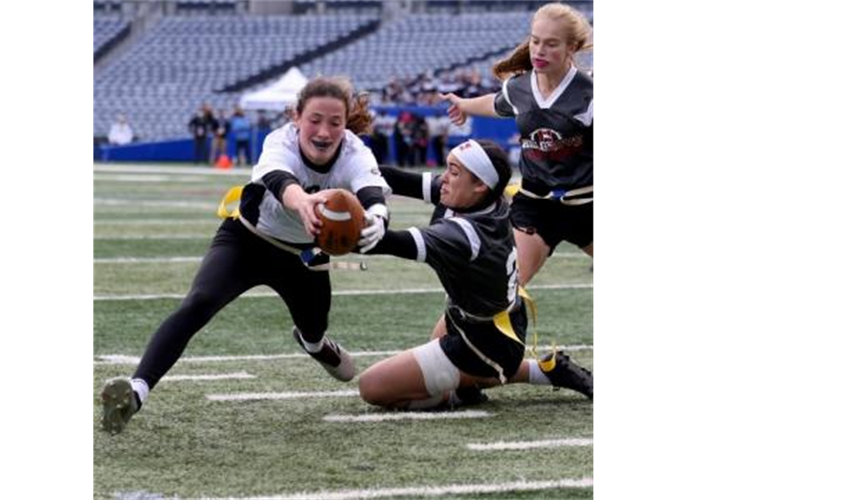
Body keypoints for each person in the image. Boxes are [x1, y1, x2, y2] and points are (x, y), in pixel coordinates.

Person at [101, 77, 392, 434]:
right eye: (314, 119)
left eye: (335, 122)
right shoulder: (278, 140)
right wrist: (302, 202)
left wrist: (377, 217)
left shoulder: (354, 152)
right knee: (199, 302)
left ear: (346, 124)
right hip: (247, 241)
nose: (324, 130)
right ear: (296, 116)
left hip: (302, 256)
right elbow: (279, 179)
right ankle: (135, 393)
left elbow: (372, 191)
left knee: (315, 329)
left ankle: (312, 343)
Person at [358, 139, 594, 410]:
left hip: (485, 341)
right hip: (486, 320)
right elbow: (394, 178)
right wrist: (345, 171)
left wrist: (332, 228)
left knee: (372, 387)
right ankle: (546, 370)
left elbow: (384, 242)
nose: (443, 179)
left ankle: (461, 392)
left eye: (454, 172)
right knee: (437, 348)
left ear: (480, 184)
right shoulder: (478, 196)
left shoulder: (468, 234)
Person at [441, 2, 594, 290]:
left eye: (551, 44)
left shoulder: (588, 95)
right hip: (535, 207)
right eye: (535, 41)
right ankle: (443, 338)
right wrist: (464, 105)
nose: (539, 50)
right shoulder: (520, 87)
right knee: (495, 289)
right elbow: (497, 103)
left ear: (571, 47)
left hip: (587, 204)